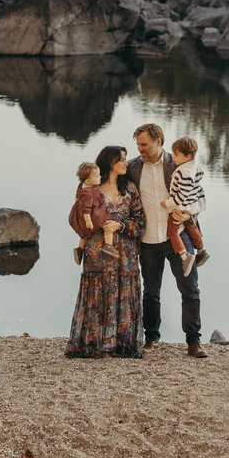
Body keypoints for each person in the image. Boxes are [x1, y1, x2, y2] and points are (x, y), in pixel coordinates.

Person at [127, 123, 207, 358]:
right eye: (138, 144)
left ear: (158, 141)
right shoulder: (133, 168)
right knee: (151, 291)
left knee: (190, 289)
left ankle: (194, 341)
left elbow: (198, 196)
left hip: (179, 236)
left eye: (144, 144)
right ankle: (151, 338)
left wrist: (189, 212)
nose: (140, 148)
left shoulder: (179, 165)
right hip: (148, 240)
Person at [66, 145, 145, 359]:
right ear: (109, 162)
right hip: (97, 251)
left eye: (125, 159)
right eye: (121, 159)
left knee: (124, 294)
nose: (125, 163)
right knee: (96, 293)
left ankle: (122, 344)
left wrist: (120, 226)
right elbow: (79, 217)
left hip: (125, 253)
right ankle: (93, 344)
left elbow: (140, 223)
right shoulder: (91, 187)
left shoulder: (129, 188)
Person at [160, 136, 210, 277]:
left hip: (180, 207)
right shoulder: (194, 166)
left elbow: (182, 195)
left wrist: (168, 203)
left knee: (171, 232)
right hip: (191, 205)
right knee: (190, 224)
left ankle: (185, 256)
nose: (173, 158)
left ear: (187, 156)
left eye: (176, 155)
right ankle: (201, 250)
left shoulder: (184, 173)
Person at [69, 162, 117, 265]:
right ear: (88, 180)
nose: (99, 177)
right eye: (97, 176)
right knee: (107, 225)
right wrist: (88, 221)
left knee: (85, 233)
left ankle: (80, 250)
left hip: (82, 214)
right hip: (92, 216)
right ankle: (109, 245)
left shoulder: (82, 185)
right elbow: (87, 208)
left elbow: (77, 197)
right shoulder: (88, 194)